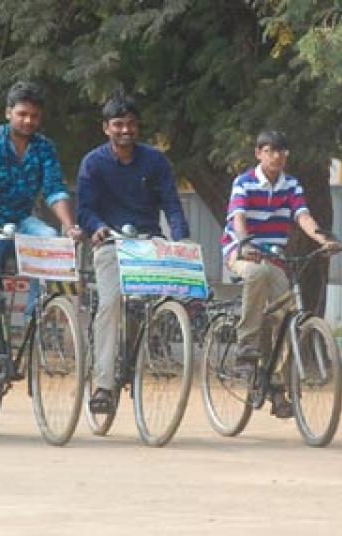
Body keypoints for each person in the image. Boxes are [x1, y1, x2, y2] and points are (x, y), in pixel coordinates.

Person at [0, 81, 82, 424]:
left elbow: (55, 190)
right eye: (22, 114)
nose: (28, 121)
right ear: (8, 112)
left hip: (22, 222)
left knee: (52, 240)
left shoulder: (44, 147)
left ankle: (37, 316)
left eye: (34, 116)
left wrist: (70, 226)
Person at [78, 95, 190, 414]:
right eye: (118, 124)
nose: (125, 129)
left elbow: (172, 204)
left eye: (130, 124)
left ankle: (146, 349)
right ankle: (103, 384)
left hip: (148, 245)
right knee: (111, 303)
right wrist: (97, 227)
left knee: (165, 300)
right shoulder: (93, 163)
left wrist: (181, 240)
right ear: (106, 128)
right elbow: (84, 208)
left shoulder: (155, 161)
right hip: (111, 244)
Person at [219, 130, 342, 418]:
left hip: (274, 256)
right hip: (241, 251)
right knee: (257, 274)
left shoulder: (291, 185)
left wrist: (323, 239)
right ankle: (246, 348)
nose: (277, 156)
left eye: (282, 152)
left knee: (287, 313)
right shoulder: (244, 183)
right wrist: (245, 242)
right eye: (271, 150)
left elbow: (302, 216)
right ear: (258, 153)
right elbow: (237, 218)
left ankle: (276, 383)